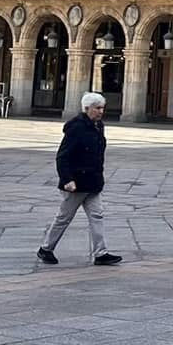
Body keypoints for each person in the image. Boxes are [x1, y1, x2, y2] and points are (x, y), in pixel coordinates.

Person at [38, 92, 121, 267]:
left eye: (102, 108)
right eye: (97, 108)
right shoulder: (76, 128)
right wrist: (67, 179)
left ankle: (101, 253)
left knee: (97, 216)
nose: (100, 112)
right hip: (76, 183)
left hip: (93, 182)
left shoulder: (99, 126)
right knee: (64, 218)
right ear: (86, 109)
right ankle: (46, 249)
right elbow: (62, 156)